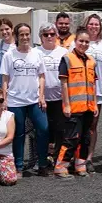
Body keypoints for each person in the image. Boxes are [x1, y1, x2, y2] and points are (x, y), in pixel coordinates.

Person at [0, 23, 50, 176]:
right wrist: (5, 99)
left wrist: (41, 96)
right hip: (15, 100)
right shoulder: (9, 55)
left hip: (34, 100)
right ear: (16, 36)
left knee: (43, 129)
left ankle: (42, 164)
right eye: (21, 34)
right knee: (18, 133)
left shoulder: (37, 54)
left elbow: (41, 76)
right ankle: (19, 166)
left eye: (27, 34)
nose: (25, 37)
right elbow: (5, 79)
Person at [54, 29, 99, 178]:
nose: (84, 44)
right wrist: (66, 105)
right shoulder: (67, 59)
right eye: (81, 41)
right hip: (73, 107)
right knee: (72, 138)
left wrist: (94, 104)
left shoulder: (92, 61)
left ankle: (80, 166)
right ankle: (61, 166)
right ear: (75, 41)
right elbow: (64, 84)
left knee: (85, 138)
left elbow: (93, 84)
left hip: (88, 107)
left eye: (87, 42)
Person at [82, 14, 102, 172]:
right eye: (91, 24)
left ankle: (89, 158)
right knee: (79, 125)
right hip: (79, 91)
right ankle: (78, 156)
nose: (94, 27)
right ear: (86, 25)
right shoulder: (79, 41)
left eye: (96, 24)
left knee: (92, 125)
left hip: (98, 91)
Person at [37, 23, 69, 164]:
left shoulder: (63, 52)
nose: (49, 37)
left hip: (60, 97)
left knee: (60, 129)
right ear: (41, 37)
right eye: (45, 34)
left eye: (52, 34)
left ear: (56, 36)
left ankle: (58, 157)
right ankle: (42, 158)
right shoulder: (36, 52)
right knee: (43, 129)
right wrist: (40, 95)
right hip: (41, 98)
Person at [0, 18, 16, 88]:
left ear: (12, 29)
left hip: (12, 86)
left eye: (7, 29)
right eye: (1, 30)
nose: (4, 32)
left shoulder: (17, 46)